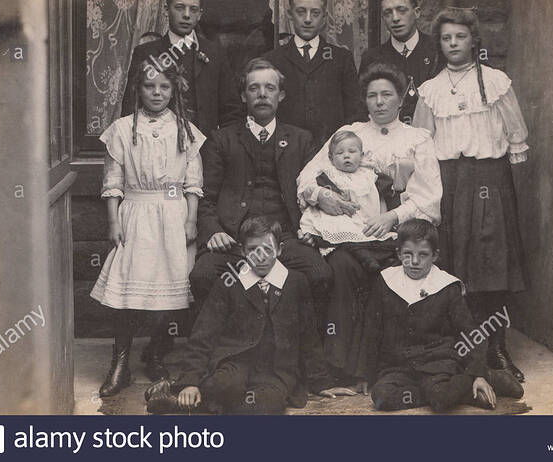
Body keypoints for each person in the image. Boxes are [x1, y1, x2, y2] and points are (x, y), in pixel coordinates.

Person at [297, 62, 442, 383]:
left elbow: (429, 199)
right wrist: (321, 196)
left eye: (387, 95)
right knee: (344, 267)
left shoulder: (418, 139)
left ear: (401, 98)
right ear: (365, 100)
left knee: (388, 273)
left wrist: (392, 216)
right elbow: (306, 177)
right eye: (372, 95)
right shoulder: (350, 134)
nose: (379, 102)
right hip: (349, 231)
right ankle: (343, 368)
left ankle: (386, 366)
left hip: (399, 231)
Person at [412, 7, 529, 382]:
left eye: (460, 37)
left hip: (489, 181)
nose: (453, 44)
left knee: (492, 264)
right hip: (450, 184)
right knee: (456, 267)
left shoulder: (495, 82)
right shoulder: (430, 91)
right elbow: (419, 144)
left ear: (473, 40)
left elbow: (516, 134)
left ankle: (497, 351)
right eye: (446, 38)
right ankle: (462, 353)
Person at [145, 217, 357, 414]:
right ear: (243, 251)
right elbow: (204, 334)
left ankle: (180, 405)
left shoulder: (296, 282)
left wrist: (321, 382)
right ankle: (189, 394)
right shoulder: (229, 282)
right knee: (223, 385)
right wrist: (190, 381)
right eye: (253, 250)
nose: (261, 257)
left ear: (280, 249)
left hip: (276, 369)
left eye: (268, 249)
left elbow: (308, 336)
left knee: (267, 405)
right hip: (236, 361)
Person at [90, 64, 206, 397]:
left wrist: (190, 219)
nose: (157, 93)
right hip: (135, 213)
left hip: (172, 214)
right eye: (150, 86)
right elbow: (113, 182)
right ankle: (120, 363)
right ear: (138, 90)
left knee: (168, 291)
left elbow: (192, 183)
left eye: (165, 87)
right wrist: (114, 221)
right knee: (129, 295)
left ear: (174, 91)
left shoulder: (185, 130)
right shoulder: (123, 130)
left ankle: (156, 352)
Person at [189, 58, 332, 313]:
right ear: (244, 96)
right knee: (202, 275)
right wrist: (213, 232)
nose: (262, 94)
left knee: (320, 274)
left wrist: (314, 229)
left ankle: (301, 346)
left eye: (270, 88)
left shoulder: (301, 140)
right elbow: (205, 197)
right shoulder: (222, 140)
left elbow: (315, 192)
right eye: (254, 88)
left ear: (281, 95)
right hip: (234, 240)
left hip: (286, 239)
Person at [357, 219, 524, 412]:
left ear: (435, 256)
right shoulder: (386, 281)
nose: (415, 261)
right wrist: (365, 375)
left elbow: (470, 334)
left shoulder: (446, 286)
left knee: (441, 398)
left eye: (423, 255)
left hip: (437, 363)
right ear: (398, 253)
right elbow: (372, 329)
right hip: (398, 366)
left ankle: (484, 378)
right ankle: (466, 394)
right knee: (382, 397)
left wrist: (478, 373)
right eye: (408, 254)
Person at [121, 0, 241, 137]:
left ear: (200, 14)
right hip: (159, 149)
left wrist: (220, 149)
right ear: (166, 10)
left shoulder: (215, 53)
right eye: (179, 8)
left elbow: (231, 111)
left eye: (193, 9)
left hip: (206, 152)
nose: (186, 15)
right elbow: (131, 108)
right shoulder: (145, 53)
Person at [263, 0, 360, 146]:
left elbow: (355, 112)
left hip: (330, 151)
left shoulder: (341, 59)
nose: (308, 19)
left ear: (324, 18)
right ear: (290, 15)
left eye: (315, 13)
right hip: (285, 152)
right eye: (301, 12)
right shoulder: (273, 60)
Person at [298, 129, 397, 273]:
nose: (346, 156)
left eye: (352, 151)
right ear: (331, 158)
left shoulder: (370, 175)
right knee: (343, 236)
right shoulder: (330, 175)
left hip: (366, 219)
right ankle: (366, 259)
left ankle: (374, 257)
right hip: (341, 219)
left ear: (362, 155)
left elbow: (380, 197)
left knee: (378, 238)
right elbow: (322, 198)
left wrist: (382, 217)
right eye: (340, 153)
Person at [359, 0, 440, 125]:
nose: (395, 18)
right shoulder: (372, 58)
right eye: (388, 13)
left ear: (417, 13)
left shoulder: (437, 50)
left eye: (401, 10)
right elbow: (363, 108)